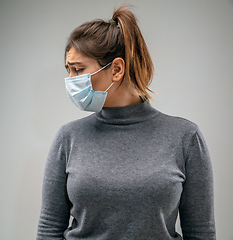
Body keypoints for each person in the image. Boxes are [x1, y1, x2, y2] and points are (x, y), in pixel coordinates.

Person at [36, 4, 216, 240]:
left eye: (78, 70)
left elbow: (201, 232)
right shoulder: (68, 137)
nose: (70, 81)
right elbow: (49, 229)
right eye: (68, 70)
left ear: (117, 69)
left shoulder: (185, 137)